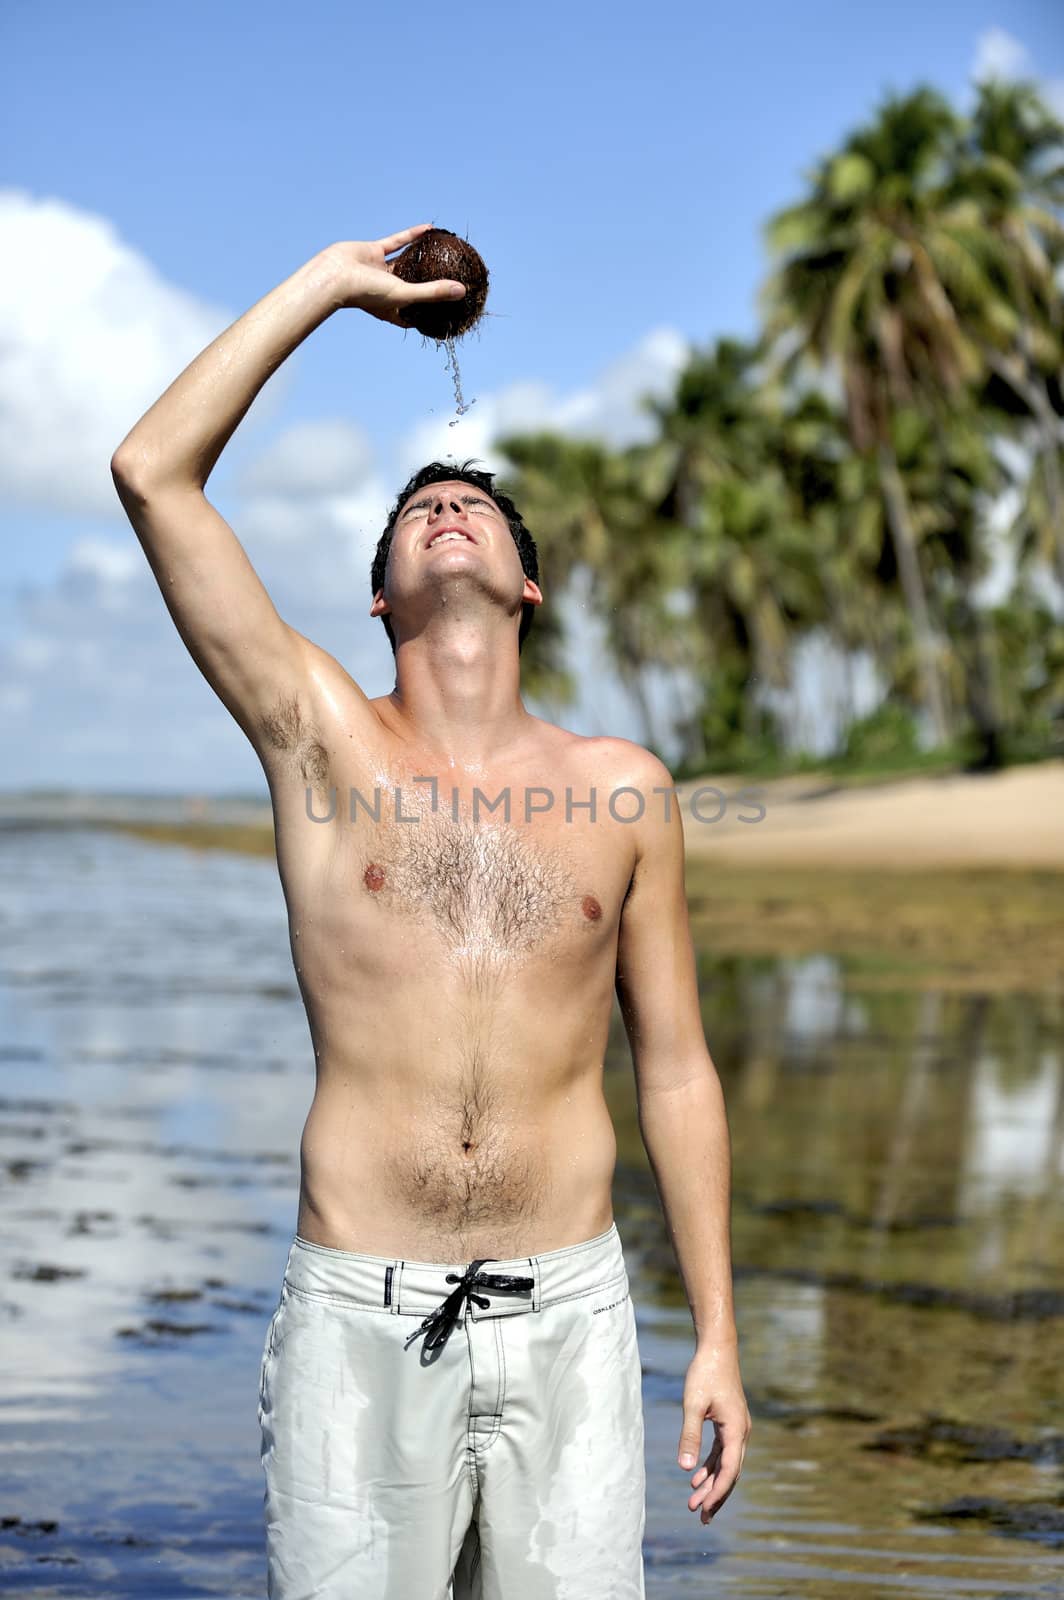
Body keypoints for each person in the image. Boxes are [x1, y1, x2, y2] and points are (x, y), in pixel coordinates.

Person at [110, 224, 751, 1600]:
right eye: (416, 507)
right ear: (379, 590)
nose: (446, 505)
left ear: (527, 582)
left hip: (570, 1321)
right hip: (359, 1320)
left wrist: (717, 1339)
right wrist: (335, 285)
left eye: (477, 503)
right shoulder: (318, 739)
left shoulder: (624, 789)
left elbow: (680, 1067)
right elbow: (152, 474)